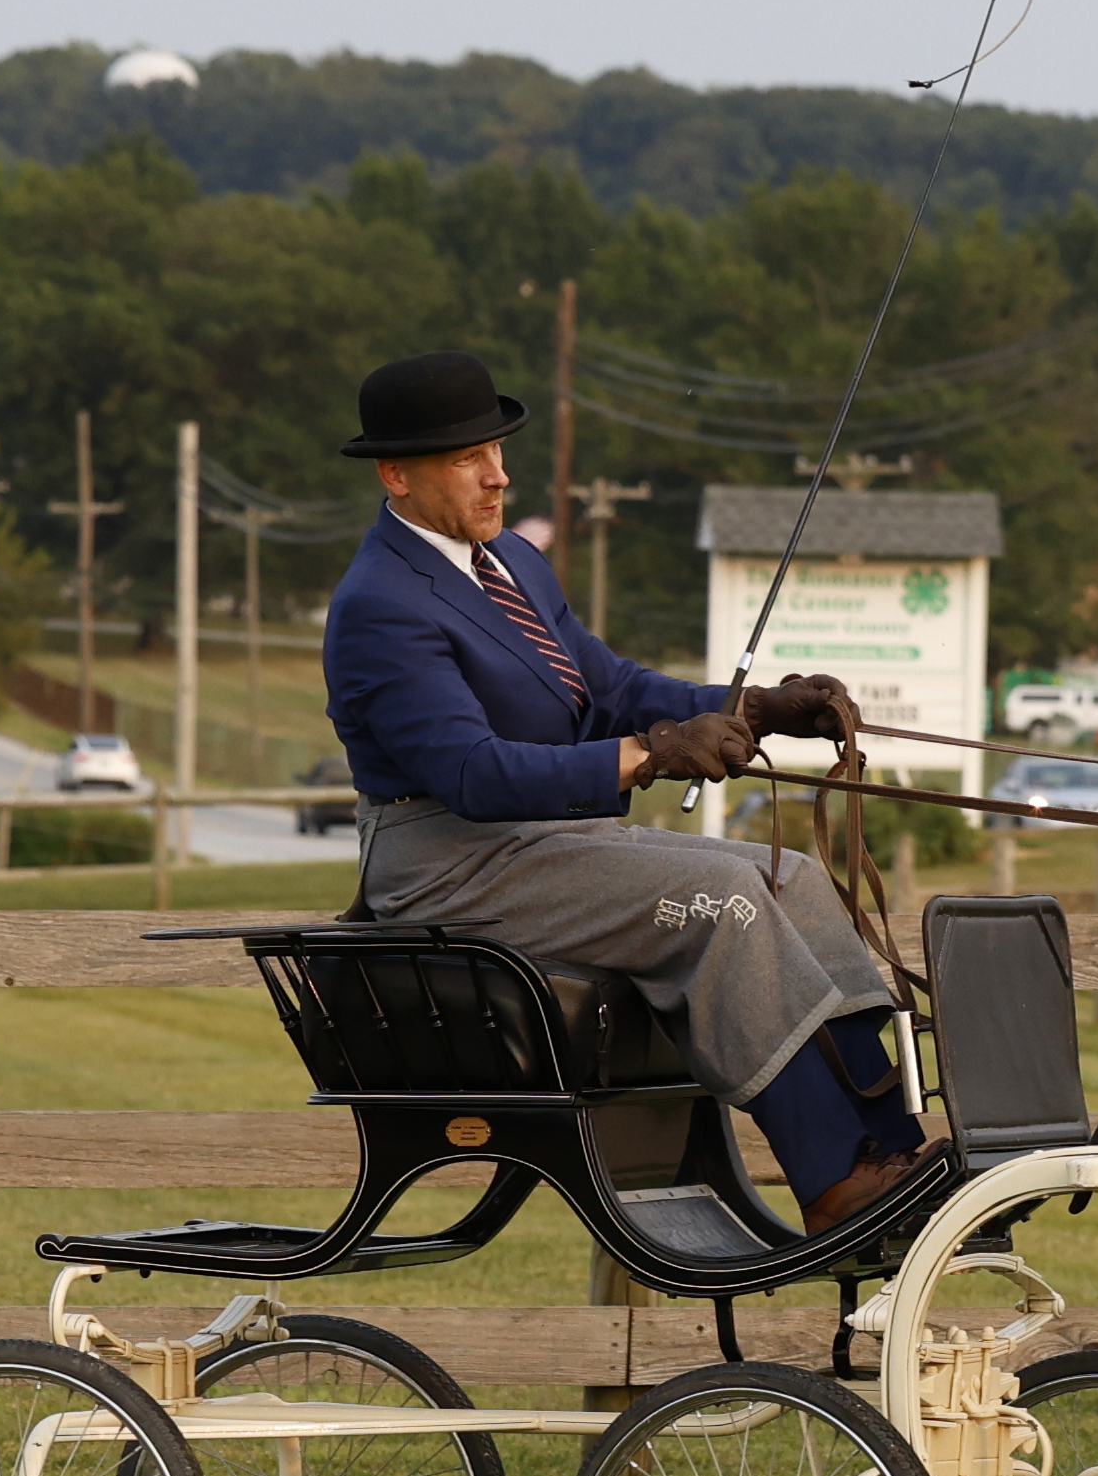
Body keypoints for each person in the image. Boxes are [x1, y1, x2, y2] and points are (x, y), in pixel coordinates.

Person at [319, 350, 926, 1230]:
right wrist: (649, 755)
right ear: (396, 475)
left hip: (548, 841)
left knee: (789, 877)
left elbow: (607, 687)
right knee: (726, 904)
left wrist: (754, 709)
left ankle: (893, 1149)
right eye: (467, 459)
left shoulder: (512, 562)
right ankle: (835, 1179)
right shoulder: (380, 603)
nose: (498, 475)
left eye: (497, 450)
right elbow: (472, 773)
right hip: (449, 860)